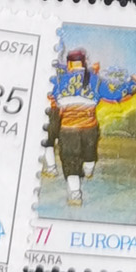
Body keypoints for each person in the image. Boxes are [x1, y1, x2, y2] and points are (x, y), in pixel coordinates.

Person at [44, 47, 101, 206]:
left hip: (68, 127)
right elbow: (114, 91)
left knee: (70, 159)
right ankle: (88, 168)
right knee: (89, 153)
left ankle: (75, 194)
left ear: (69, 64)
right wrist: (133, 82)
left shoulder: (59, 79)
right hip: (89, 127)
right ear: (84, 62)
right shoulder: (95, 79)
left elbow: (49, 91)